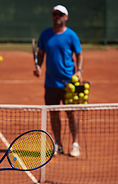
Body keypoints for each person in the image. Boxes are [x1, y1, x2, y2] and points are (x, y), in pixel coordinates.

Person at [33, 4, 83, 157]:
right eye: (55, 14)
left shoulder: (71, 35)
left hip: (70, 83)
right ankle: (58, 144)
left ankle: (75, 144)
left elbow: (79, 54)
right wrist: (38, 66)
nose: (57, 17)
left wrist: (79, 71)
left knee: (71, 113)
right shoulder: (45, 34)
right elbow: (40, 54)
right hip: (50, 83)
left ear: (66, 17)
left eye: (60, 14)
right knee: (54, 114)